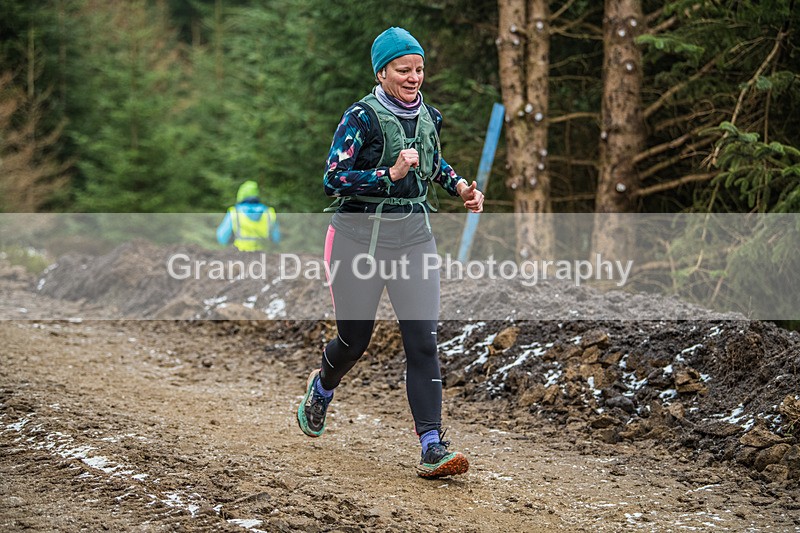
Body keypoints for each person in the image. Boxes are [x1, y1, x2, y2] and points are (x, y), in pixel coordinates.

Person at [296, 27, 484, 479]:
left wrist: (459, 187)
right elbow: (333, 178)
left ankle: (432, 445)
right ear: (382, 72)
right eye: (404, 69)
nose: (414, 77)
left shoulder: (429, 116)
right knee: (353, 341)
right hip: (357, 241)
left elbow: (433, 161)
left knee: (422, 341)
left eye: (419, 69)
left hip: (413, 240)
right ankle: (322, 388)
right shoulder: (360, 117)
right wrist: (389, 172)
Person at [216, 180, 280, 251]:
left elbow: (222, 237)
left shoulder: (234, 212)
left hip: (239, 254)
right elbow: (276, 239)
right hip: (265, 255)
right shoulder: (269, 213)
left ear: (240, 196)